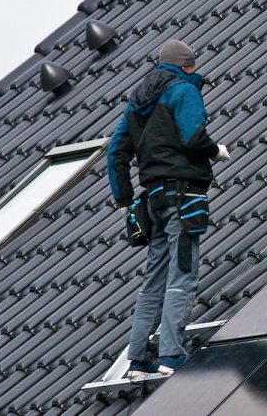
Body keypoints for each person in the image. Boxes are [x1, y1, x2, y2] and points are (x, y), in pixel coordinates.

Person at [106, 40, 230, 378]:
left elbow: (115, 152)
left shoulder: (136, 102)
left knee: (154, 278)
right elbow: (193, 137)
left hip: (154, 199)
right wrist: (215, 150)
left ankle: (138, 358)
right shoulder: (182, 91)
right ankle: (172, 355)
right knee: (183, 273)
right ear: (187, 65)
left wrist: (124, 201)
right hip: (184, 194)